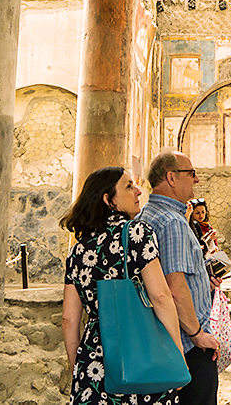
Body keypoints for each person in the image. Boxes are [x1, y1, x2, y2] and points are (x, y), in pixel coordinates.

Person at [60, 167, 183, 405]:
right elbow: (160, 297)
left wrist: (80, 366)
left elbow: (68, 319)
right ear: (109, 200)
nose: (138, 191)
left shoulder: (78, 251)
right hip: (142, 351)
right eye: (128, 186)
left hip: (95, 360)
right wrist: (176, 353)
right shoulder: (138, 234)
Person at [138, 151, 220, 405]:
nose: (196, 180)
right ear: (171, 177)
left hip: (160, 341)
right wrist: (197, 334)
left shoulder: (146, 215)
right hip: (188, 346)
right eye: (191, 173)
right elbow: (174, 287)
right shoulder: (172, 221)